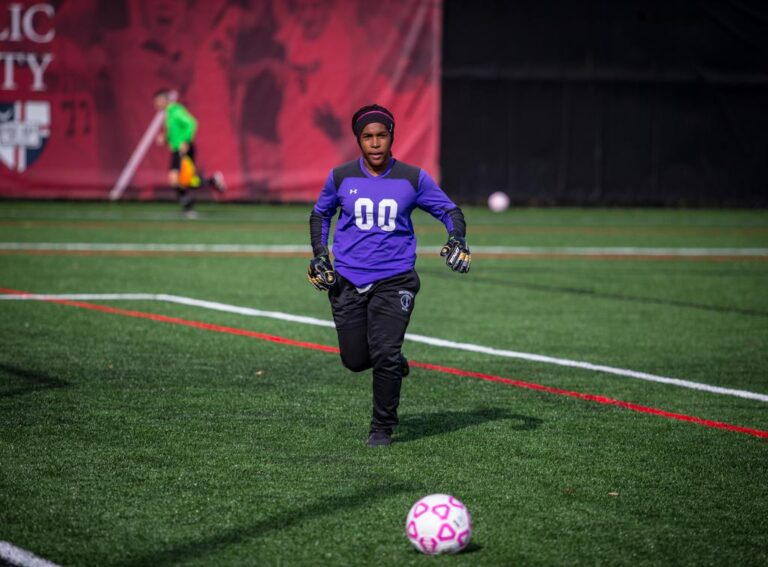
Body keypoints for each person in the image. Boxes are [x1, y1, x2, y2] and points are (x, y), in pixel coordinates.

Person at [307, 104, 471, 447]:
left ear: (392, 137)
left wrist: (456, 236)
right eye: (368, 136)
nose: (376, 143)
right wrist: (321, 255)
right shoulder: (340, 176)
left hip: (395, 279)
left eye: (382, 135)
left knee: (383, 352)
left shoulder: (413, 178)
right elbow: (320, 215)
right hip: (347, 281)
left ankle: (381, 428)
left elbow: (449, 210)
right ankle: (394, 361)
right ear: (358, 140)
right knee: (354, 360)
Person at [152, 89, 226, 218]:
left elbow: (191, 123)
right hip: (176, 149)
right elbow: (175, 132)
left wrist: (186, 141)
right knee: (178, 180)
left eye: (157, 102)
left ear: (163, 100)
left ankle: (190, 204)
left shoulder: (175, 110)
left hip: (183, 148)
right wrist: (165, 138)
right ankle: (208, 185)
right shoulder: (169, 113)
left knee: (180, 179)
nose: (155, 105)